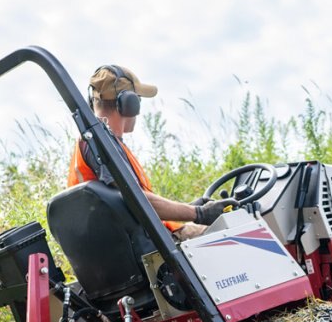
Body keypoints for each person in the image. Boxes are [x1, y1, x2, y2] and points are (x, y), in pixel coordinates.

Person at [67, 64, 232, 240]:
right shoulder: (100, 143)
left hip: (137, 240)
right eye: (138, 99)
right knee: (239, 228)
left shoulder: (94, 141)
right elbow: (137, 201)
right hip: (153, 246)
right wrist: (199, 213)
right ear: (129, 103)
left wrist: (188, 208)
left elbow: (129, 205)